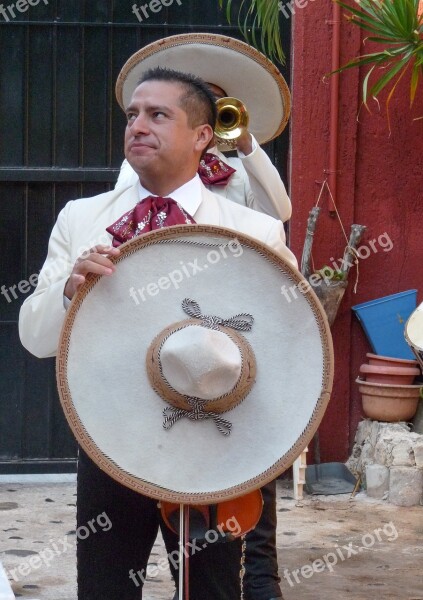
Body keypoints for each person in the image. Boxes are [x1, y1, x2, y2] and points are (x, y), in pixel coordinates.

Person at [19, 67, 297, 600]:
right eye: (132, 115)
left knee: (211, 591)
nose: (138, 126)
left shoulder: (255, 231)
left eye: (158, 115)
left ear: (202, 136)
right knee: (103, 588)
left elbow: (289, 342)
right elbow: (35, 339)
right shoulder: (81, 218)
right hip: (107, 441)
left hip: (214, 445)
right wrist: (68, 292)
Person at [115, 82, 292, 224]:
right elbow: (120, 212)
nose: (211, 112)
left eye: (218, 104)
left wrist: (246, 142)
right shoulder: (148, 162)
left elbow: (277, 214)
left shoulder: (240, 170)